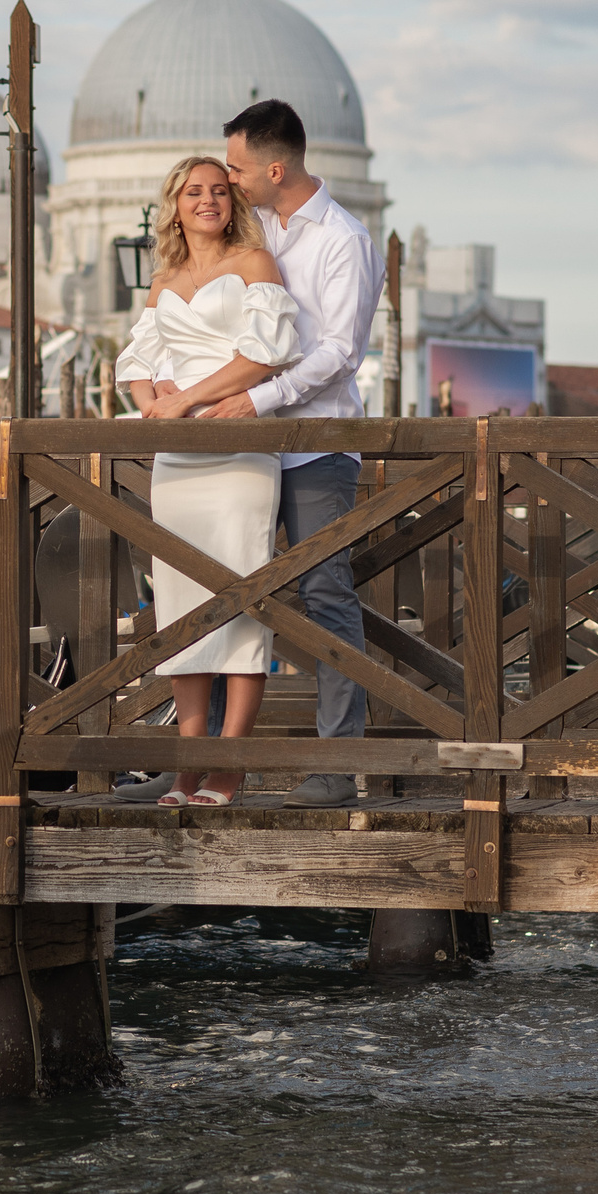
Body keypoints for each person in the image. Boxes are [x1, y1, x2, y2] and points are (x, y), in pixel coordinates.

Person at [206, 98, 386, 808]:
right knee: (223, 588)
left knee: (323, 595)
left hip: (316, 444)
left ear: (275, 167)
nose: (230, 179)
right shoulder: (258, 231)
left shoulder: (344, 240)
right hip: (253, 447)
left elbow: (342, 353)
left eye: (237, 167)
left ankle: (338, 764)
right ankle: (205, 757)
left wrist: (259, 399)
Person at [113, 155, 299, 805]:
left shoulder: (254, 265)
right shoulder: (163, 280)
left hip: (239, 451)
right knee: (182, 604)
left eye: (220, 190)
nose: (209, 200)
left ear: (233, 202)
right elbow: (135, 359)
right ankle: (187, 762)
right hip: (179, 462)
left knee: (244, 596)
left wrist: (186, 395)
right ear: (176, 204)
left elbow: (265, 354)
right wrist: (152, 395)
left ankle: (231, 762)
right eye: (195, 191)